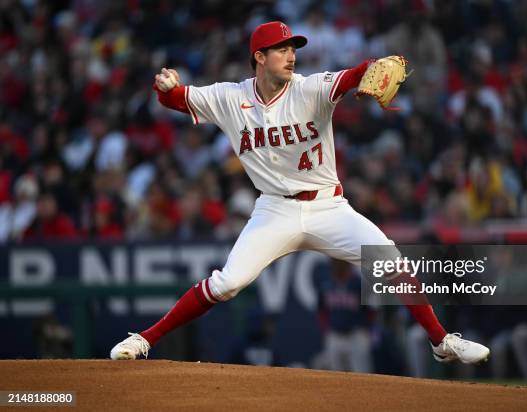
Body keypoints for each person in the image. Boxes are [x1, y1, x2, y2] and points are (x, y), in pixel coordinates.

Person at [110, 21, 490, 365]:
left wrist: (371, 67)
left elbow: (352, 76)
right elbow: (175, 100)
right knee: (226, 283)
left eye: (293, 48)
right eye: (282, 49)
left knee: (390, 260)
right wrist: (166, 89)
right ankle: (145, 339)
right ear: (259, 57)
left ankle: (441, 341)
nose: (291, 56)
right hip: (274, 210)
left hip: (328, 206)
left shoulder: (309, 88)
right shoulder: (230, 97)